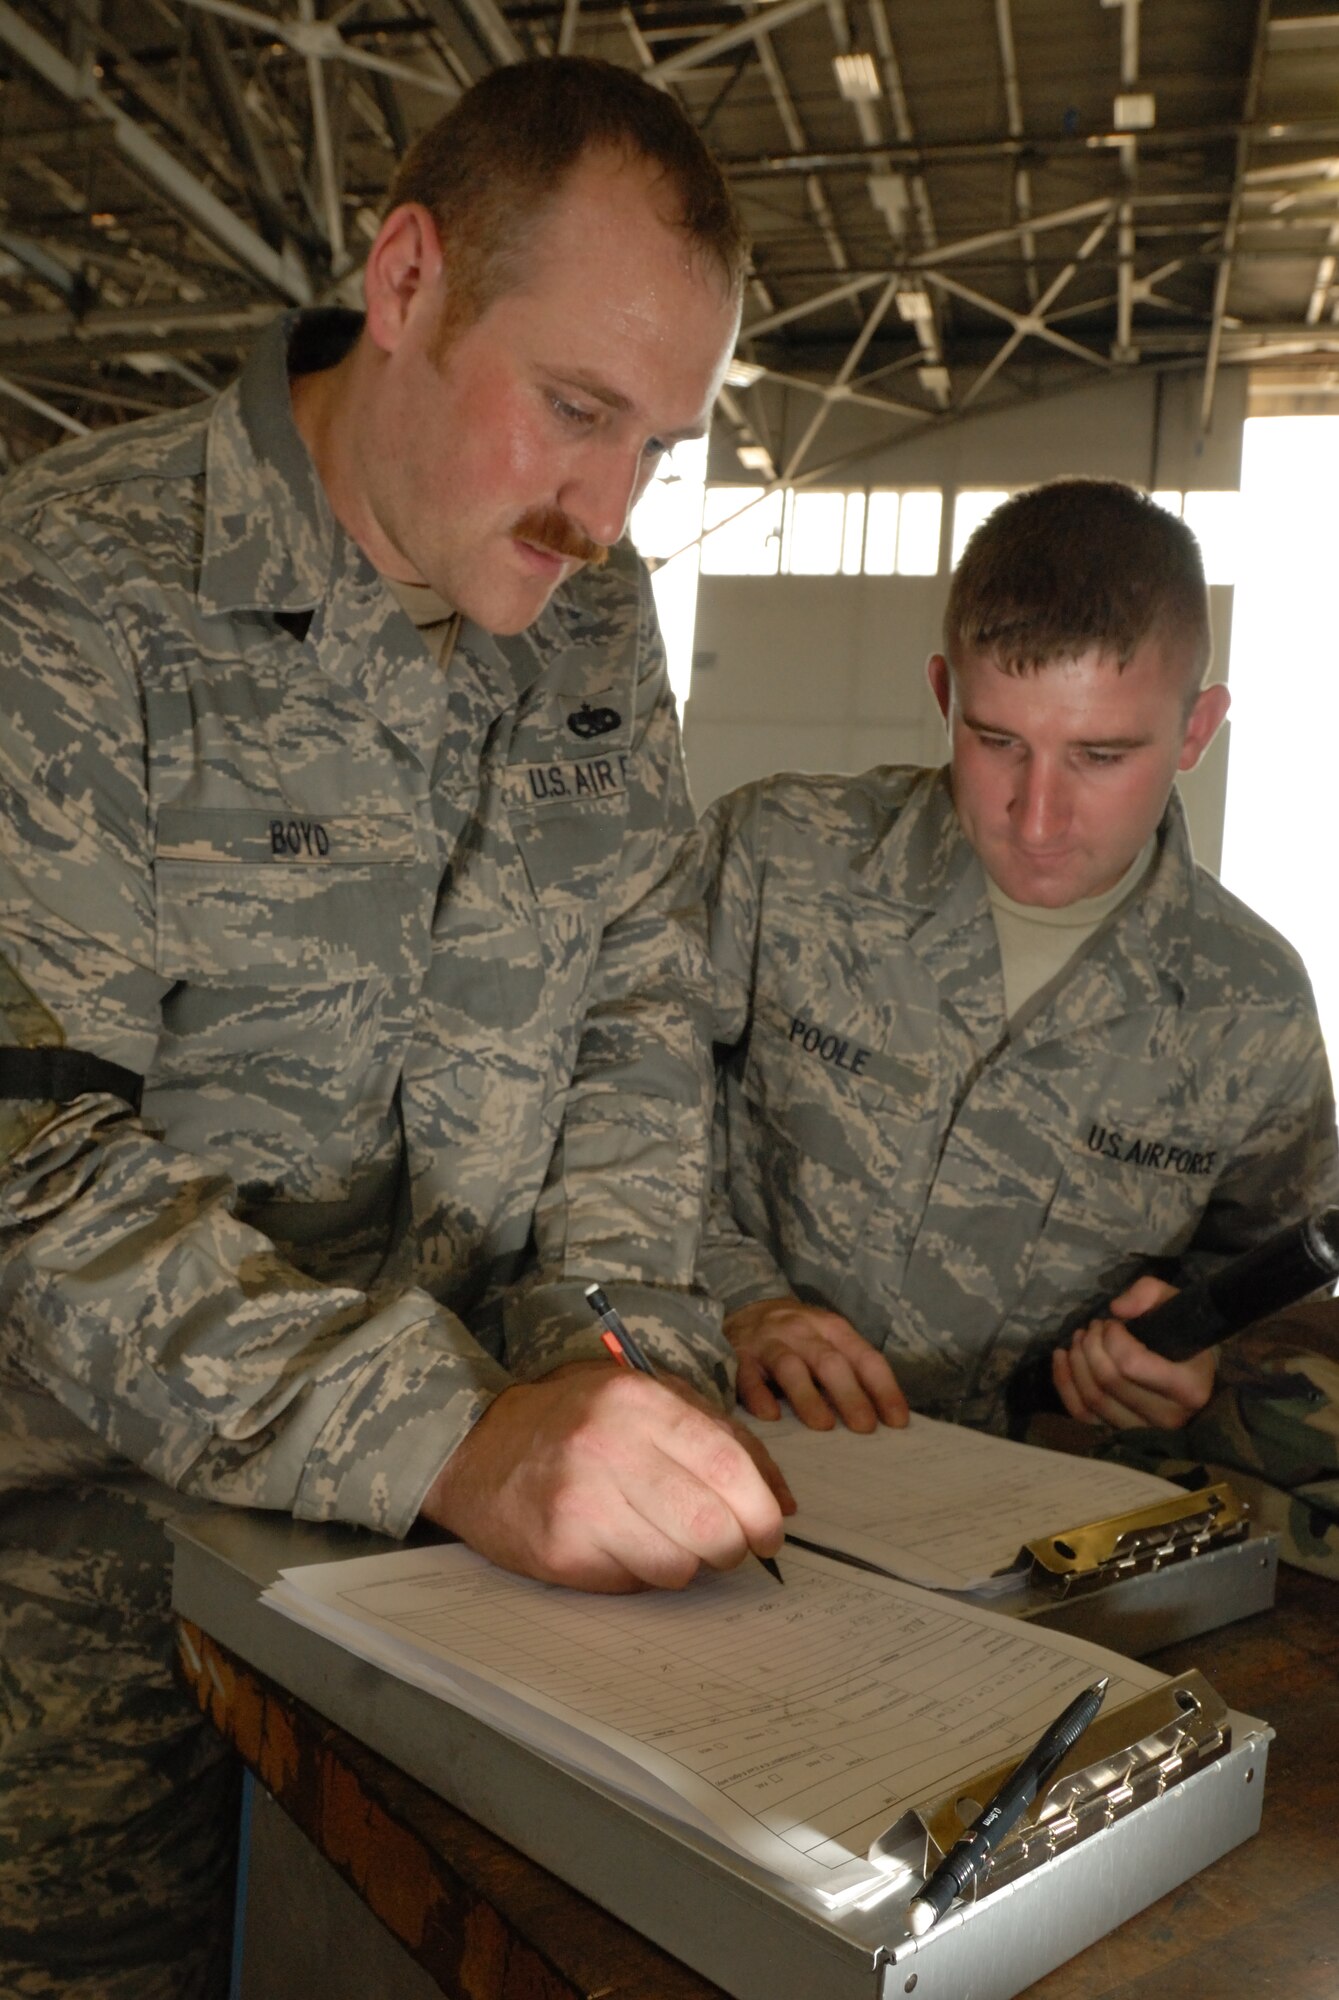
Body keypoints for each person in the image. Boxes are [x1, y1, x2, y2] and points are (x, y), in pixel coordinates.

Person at [0, 58, 788, 2000]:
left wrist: (620, 1364)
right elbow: (30, 1174)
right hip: (76, 1638)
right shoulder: (74, 590)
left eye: (659, 449)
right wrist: (455, 1434)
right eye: (577, 410)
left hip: (463, 1614)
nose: (606, 513)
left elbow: (629, 1002)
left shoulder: (590, 621)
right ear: (411, 279)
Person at [693, 479, 1339, 1511]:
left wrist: (1198, 1361)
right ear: (945, 692)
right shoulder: (777, 862)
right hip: (708, 1452)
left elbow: (1276, 1290)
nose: (1037, 816)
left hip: (1009, 1523)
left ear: (1195, 729)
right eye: (997, 741)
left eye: (1100, 754)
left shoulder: (1249, 1009)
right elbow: (612, 1118)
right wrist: (740, 1298)